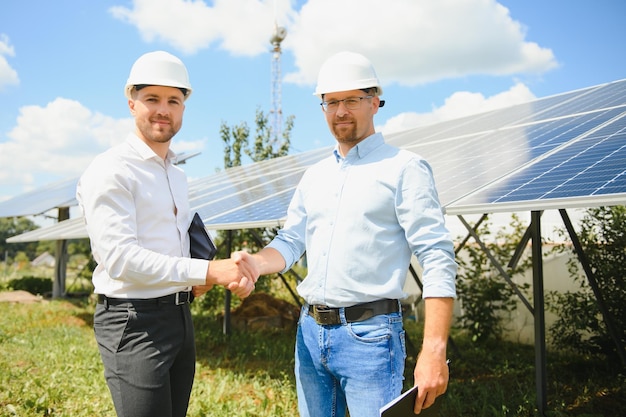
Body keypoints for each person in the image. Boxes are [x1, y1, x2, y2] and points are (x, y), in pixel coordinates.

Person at [244, 51, 457, 417]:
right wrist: (252, 264)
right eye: (331, 102)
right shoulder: (315, 176)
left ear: (375, 102)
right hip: (309, 334)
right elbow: (291, 240)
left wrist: (434, 350)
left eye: (352, 100)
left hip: (371, 338)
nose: (341, 111)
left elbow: (437, 256)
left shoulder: (404, 168)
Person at [76, 50, 258, 417]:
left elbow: (180, 239)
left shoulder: (177, 174)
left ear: (183, 108)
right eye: (152, 99)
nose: (164, 109)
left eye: (173, 100)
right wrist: (208, 271)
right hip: (134, 321)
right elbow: (120, 259)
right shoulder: (111, 170)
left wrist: (205, 272)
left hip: (179, 317)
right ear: (132, 104)